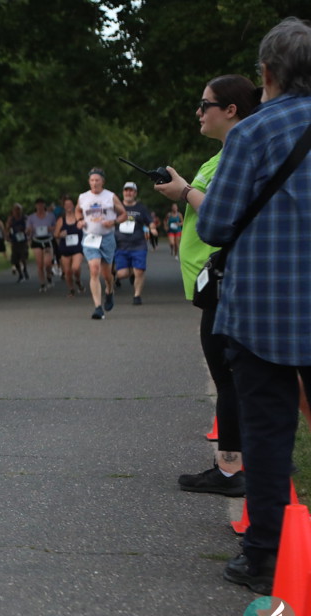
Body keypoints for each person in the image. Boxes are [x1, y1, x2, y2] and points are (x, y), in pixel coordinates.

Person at [191, 18, 311, 594]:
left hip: (266, 308)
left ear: (266, 72)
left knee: (267, 433)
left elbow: (214, 225)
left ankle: (265, 557)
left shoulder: (253, 133)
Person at [154, 75, 261, 508]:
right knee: (230, 375)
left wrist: (184, 191)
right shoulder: (223, 155)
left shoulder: (240, 152)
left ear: (230, 110)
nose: (199, 112)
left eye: (205, 104)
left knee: (229, 376)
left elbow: (222, 211)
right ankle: (239, 462)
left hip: (226, 278)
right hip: (215, 278)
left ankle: (232, 469)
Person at [76, 168, 127, 320]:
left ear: (102, 182)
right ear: (89, 182)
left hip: (107, 238)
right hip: (90, 237)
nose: (94, 183)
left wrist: (114, 221)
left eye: (97, 180)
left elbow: (124, 214)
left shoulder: (110, 196)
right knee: (94, 269)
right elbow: (78, 211)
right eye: (92, 180)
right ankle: (98, 307)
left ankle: (109, 290)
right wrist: (80, 221)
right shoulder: (83, 197)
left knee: (107, 274)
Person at [114, 182, 153, 306]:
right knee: (122, 274)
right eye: (126, 190)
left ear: (135, 193)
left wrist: (153, 228)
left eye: (131, 191)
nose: (128, 193)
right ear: (123, 193)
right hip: (121, 245)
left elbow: (150, 221)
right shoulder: (116, 208)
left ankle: (137, 295)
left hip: (138, 244)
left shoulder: (141, 208)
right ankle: (126, 274)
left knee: (139, 271)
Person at [53, 196, 84, 296]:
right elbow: (55, 234)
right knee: (67, 271)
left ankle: (78, 280)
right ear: (64, 207)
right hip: (65, 248)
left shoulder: (79, 218)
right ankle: (71, 289)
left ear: (73, 205)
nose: (68, 206)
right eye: (66, 205)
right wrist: (60, 234)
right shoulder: (61, 220)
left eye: (70, 204)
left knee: (75, 268)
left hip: (77, 248)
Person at [26, 198, 56, 293]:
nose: (40, 206)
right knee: (39, 264)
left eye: (41, 204)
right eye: (38, 205)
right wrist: (29, 230)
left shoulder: (50, 216)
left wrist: (50, 229)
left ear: (44, 205)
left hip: (48, 239)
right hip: (37, 240)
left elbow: (56, 227)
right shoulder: (31, 217)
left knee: (47, 263)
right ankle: (42, 284)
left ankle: (49, 276)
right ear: (36, 206)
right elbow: (27, 230)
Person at [6, 203, 29, 282]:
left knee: (23, 256)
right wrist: (7, 235)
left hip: (23, 240)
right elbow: (7, 228)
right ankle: (20, 274)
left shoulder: (24, 218)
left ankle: (25, 269)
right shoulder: (11, 219)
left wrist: (27, 233)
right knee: (15, 259)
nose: (17, 211)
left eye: (18, 209)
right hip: (15, 240)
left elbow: (29, 227)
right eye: (15, 210)